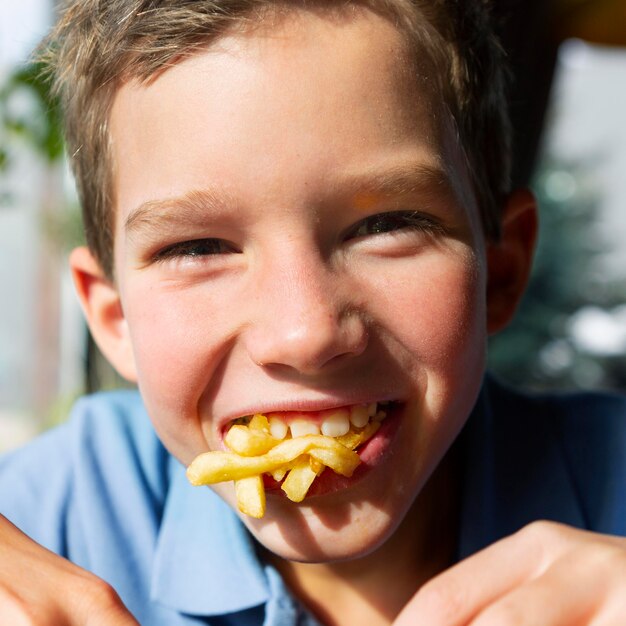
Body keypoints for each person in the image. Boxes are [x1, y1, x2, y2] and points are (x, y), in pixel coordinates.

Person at [1, 0, 625, 624]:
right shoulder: (58, 510)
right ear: (114, 320)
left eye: (384, 226)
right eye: (199, 247)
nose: (304, 333)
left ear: (502, 272)